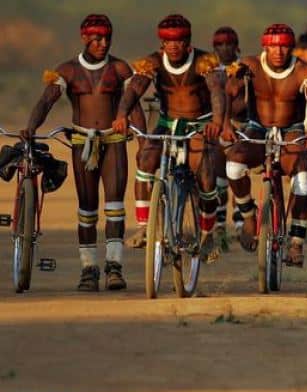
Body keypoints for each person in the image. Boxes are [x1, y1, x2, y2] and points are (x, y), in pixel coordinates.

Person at [24, 15, 143, 291]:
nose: (103, 43)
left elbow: (133, 105)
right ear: (84, 38)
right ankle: (88, 269)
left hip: (113, 141)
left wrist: (142, 139)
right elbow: (46, 102)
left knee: (114, 208)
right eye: (97, 38)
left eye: (107, 37)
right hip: (82, 143)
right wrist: (31, 127)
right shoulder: (67, 71)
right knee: (86, 209)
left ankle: (114, 267)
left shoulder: (120, 69)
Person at [113, 15, 226, 261]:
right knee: (144, 161)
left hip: (198, 124)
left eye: (178, 41)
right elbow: (134, 89)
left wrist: (217, 122)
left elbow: (217, 92)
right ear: (161, 43)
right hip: (167, 123)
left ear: (188, 42)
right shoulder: (152, 62)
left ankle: (208, 234)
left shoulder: (204, 61)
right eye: (167, 41)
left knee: (206, 179)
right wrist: (122, 115)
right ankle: (145, 226)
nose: (173, 46)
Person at [222, 24, 307, 266]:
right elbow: (228, 92)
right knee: (233, 166)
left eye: (283, 46)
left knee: (302, 181)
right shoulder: (249, 66)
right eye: (273, 46)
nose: (278, 51)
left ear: (291, 47)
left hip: (292, 131)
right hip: (257, 128)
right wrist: (226, 124)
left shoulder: (304, 71)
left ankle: (296, 243)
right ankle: (248, 216)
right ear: (265, 46)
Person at [210, 26, 241, 251]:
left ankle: (241, 223)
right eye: (219, 44)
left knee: (238, 174)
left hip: (241, 125)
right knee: (219, 178)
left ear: (236, 46)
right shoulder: (208, 69)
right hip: (216, 127)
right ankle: (220, 224)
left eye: (229, 44)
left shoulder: (245, 68)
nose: (224, 48)